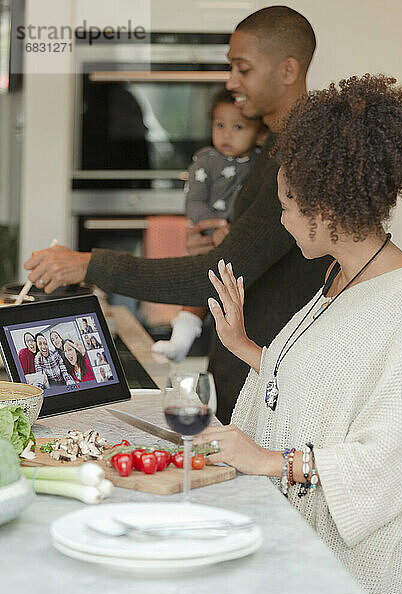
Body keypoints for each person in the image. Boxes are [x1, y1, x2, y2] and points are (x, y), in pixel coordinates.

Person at [23, 6, 331, 424]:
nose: (231, 83)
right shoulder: (275, 147)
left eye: (243, 69)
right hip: (247, 377)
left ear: (288, 70)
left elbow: (213, 272)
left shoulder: (299, 156)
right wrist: (227, 236)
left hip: (271, 391)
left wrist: (88, 264)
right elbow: (246, 254)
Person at [195, 75, 402, 594]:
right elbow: (333, 387)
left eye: (288, 206)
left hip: (355, 576)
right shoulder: (339, 276)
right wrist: (246, 347)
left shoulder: (400, 305)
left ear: (328, 212)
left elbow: (390, 454)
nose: (283, 220)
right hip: (297, 547)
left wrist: (269, 460)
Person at [152, 87, 265, 362]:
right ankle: (180, 340)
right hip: (210, 237)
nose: (227, 134)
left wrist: (234, 232)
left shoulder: (260, 162)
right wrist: (215, 230)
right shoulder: (206, 161)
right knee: (200, 286)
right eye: (220, 125)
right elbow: (194, 204)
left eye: (238, 127)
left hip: (239, 240)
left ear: (259, 133)